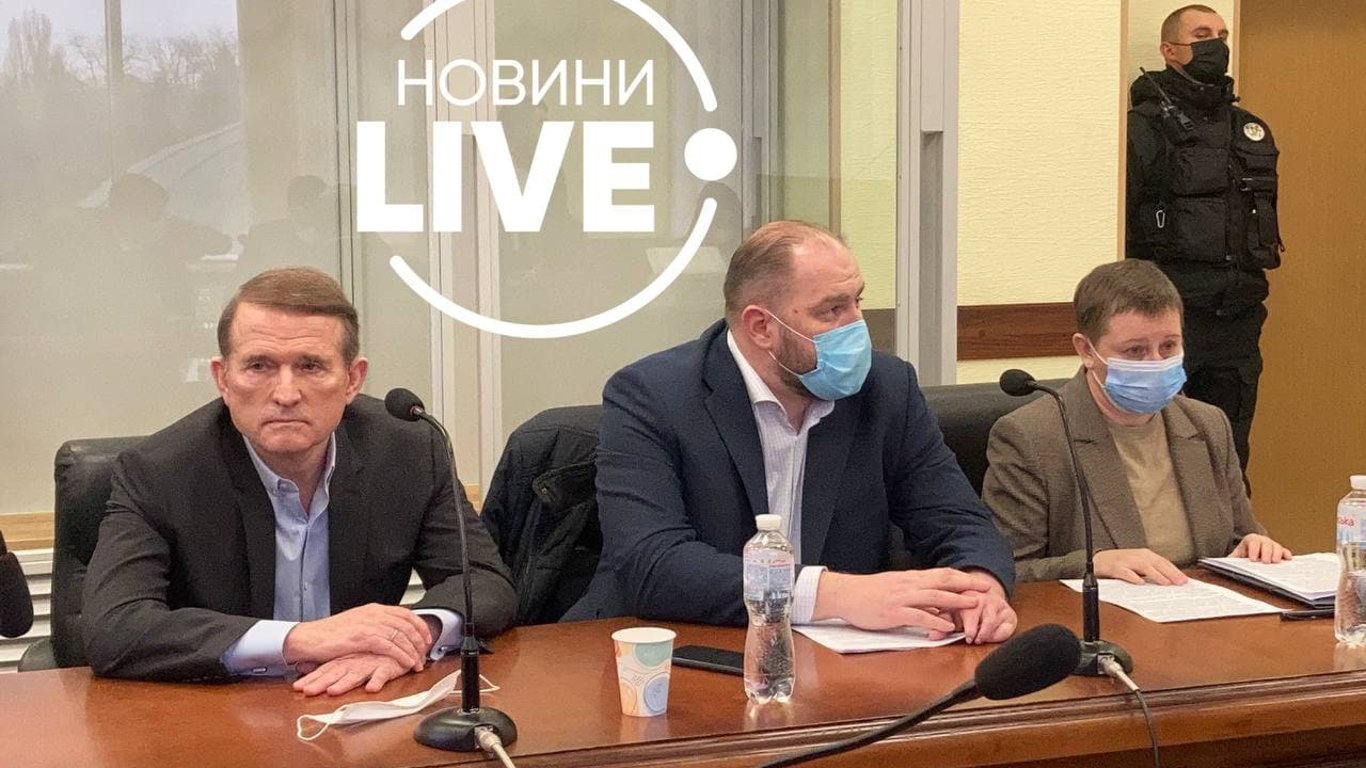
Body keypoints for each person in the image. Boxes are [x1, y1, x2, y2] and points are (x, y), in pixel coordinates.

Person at [565, 221, 1017, 644]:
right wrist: (833, 594)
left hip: (836, 658)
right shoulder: (653, 396)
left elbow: (958, 521)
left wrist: (978, 587)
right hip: (675, 649)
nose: (857, 326)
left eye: (857, 301)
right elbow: (652, 564)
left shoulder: (886, 388)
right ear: (761, 327)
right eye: (832, 310)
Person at [83, 267, 516, 694]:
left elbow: (484, 582)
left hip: (357, 701)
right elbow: (114, 627)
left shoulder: (410, 451)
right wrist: (300, 639)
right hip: (220, 709)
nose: (286, 394)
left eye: (311, 366)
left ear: (352, 379)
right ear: (222, 379)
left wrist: (405, 637)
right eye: (259, 366)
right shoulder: (160, 471)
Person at [984, 260, 1290, 583]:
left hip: (1202, 606)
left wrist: (1254, 547)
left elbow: (1238, 539)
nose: (1156, 362)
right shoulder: (1031, 437)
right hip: (1101, 611)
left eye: (1169, 346)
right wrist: (1092, 564)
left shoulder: (1208, 424)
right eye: (1135, 351)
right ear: (1086, 350)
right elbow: (1007, 570)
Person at [1126, 4, 1283, 472]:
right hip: (1169, 318)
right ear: (1169, 50)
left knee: (1228, 457)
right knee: (1159, 456)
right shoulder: (1143, 126)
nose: (1216, 44)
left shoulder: (1248, 129)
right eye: (1201, 35)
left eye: (1222, 34)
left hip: (1239, 319)